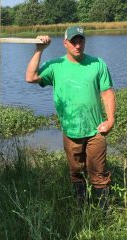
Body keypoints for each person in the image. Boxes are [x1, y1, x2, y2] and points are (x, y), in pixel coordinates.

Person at [26, 26, 116, 210]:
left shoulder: (97, 63)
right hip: (70, 131)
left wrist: (111, 120)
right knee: (76, 173)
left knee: (98, 174)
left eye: (80, 40)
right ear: (65, 43)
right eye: (73, 41)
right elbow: (30, 77)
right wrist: (39, 49)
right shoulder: (55, 66)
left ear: (84, 41)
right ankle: (80, 209)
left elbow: (107, 93)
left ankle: (102, 213)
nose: (77, 45)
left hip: (96, 130)